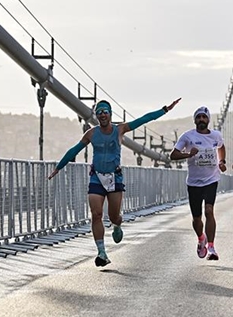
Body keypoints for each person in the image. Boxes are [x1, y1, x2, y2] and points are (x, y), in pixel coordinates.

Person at [49, 98, 181, 267]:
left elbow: (143, 119)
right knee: (96, 214)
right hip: (96, 177)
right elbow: (74, 150)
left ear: (110, 114)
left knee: (113, 216)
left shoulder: (120, 130)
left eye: (105, 112)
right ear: (96, 116)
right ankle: (102, 253)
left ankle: (117, 224)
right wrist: (59, 167)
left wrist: (164, 110)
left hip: (114, 177)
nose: (102, 115)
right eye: (99, 112)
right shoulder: (90, 133)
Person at [170, 106, 227, 261]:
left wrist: (222, 161)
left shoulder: (216, 135)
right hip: (194, 182)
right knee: (197, 218)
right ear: (195, 120)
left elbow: (221, 148)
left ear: (208, 119)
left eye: (204, 117)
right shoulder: (187, 136)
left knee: (209, 211)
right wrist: (188, 154)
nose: (202, 119)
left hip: (211, 179)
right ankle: (201, 238)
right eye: (199, 117)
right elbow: (173, 155)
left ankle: (211, 247)